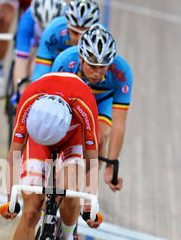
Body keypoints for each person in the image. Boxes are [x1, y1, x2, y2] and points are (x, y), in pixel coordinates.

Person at [0, 72, 102, 240]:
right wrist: (10, 198)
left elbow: (91, 162)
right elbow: (15, 151)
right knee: (31, 210)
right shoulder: (29, 100)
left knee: (69, 189)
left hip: (73, 137)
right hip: (39, 138)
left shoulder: (85, 103)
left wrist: (89, 205)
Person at [51, 24, 133, 192]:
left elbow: (119, 124)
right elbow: (52, 110)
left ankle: (86, 186)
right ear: (81, 58)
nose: (97, 73)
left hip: (102, 101)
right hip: (73, 98)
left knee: (99, 136)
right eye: (92, 66)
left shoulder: (122, 71)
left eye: (102, 67)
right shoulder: (65, 62)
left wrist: (111, 165)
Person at [32, 0, 100, 82]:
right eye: (75, 32)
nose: (79, 39)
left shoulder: (101, 39)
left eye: (84, 33)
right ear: (67, 27)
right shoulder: (54, 29)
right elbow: (40, 70)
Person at [12, 0, 65, 98]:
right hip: (36, 44)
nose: (46, 31)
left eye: (50, 26)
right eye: (42, 26)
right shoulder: (27, 19)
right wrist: (20, 94)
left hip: (58, 46)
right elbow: (21, 60)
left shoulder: (67, 19)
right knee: (32, 68)